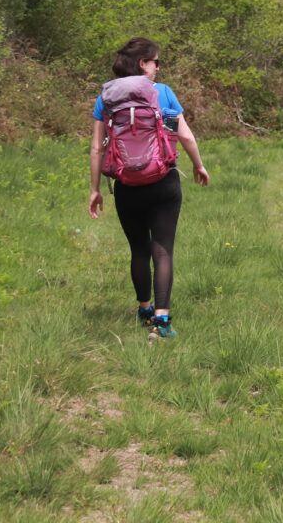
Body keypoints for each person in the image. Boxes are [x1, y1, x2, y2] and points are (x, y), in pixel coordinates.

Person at [88, 37, 209, 339]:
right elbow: (187, 137)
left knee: (138, 250)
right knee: (163, 249)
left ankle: (144, 309)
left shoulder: (107, 97)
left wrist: (95, 189)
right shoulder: (163, 93)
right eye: (155, 61)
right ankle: (162, 320)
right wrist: (198, 165)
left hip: (126, 184)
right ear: (143, 64)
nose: (158, 67)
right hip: (163, 181)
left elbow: (96, 148)